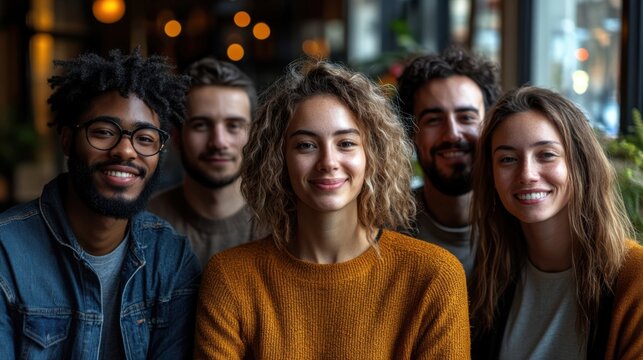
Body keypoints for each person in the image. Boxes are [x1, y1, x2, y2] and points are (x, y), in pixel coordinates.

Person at [194, 59, 470, 359]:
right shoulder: (230, 278)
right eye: (306, 145)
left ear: (372, 155)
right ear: (278, 159)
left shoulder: (434, 276)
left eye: (346, 143)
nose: (328, 161)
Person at [0, 49, 201, 359]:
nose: (125, 151)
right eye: (104, 132)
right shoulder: (7, 252)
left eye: (145, 138)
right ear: (67, 140)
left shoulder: (171, 259)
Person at [469, 86, 643, 359]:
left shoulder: (635, 276)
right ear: (491, 176)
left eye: (546, 154)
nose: (526, 174)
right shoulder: (489, 279)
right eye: (508, 159)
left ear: (580, 164)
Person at [148, 58, 266, 266]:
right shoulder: (145, 224)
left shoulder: (280, 225)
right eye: (201, 125)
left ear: (253, 135)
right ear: (176, 135)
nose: (218, 142)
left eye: (234, 126)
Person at [397, 46, 501, 277]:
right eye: (434, 120)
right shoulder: (384, 232)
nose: (453, 134)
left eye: (467, 118)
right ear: (411, 133)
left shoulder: (523, 226)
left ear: (491, 126)